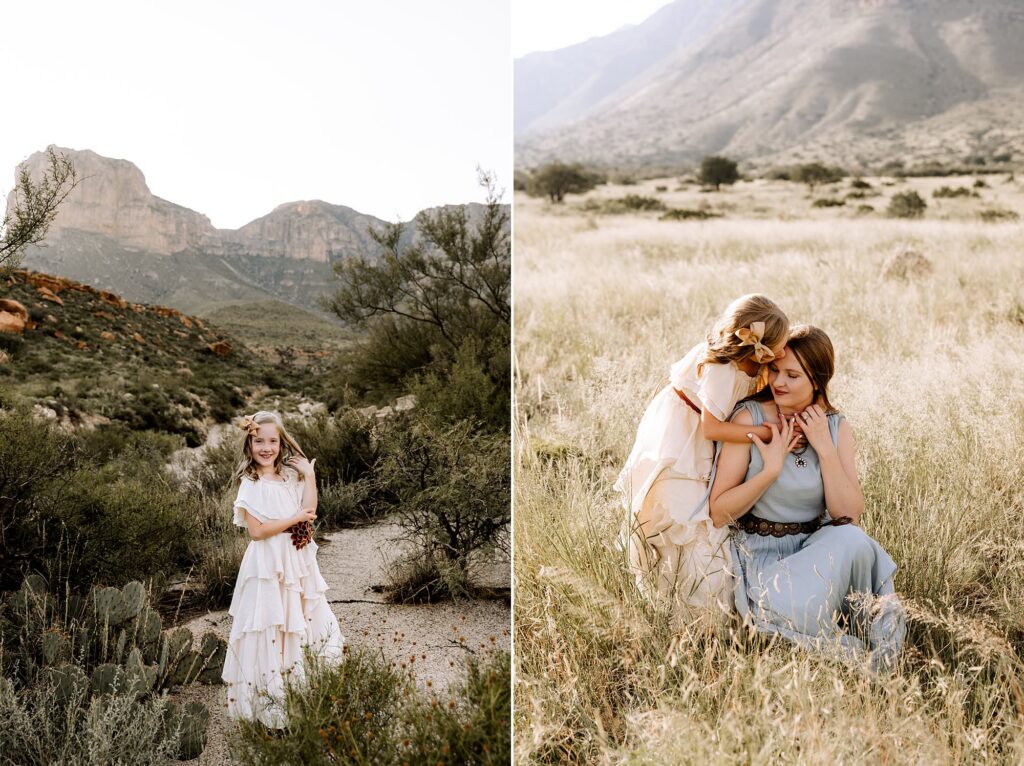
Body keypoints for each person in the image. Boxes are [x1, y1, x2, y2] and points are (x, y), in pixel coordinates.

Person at [708, 325, 905, 671]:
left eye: (792, 375)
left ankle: (876, 642)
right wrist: (770, 469)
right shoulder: (749, 417)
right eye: (775, 370)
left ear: (817, 380)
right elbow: (719, 512)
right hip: (765, 558)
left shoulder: (835, 427)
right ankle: (820, 632)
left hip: (815, 550)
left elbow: (848, 515)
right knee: (796, 608)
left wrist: (824, 447)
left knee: (856, 541)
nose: (777, 382)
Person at [615, 294, 790, 623]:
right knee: (681, 515)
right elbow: (711, 427)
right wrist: (762, 434)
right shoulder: (721, 367)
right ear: (756, 346)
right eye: (777, 347)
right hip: (681, 439)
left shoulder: (747, 365)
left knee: (693, 519)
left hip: (695, 436)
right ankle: (681, 608)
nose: (781, 353)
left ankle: (694, 607)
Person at [222, 410, 344, 727]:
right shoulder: (250, 483)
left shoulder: (290, 477)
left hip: (295, 560)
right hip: (267, 565)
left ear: (281, 442)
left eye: (272, 441)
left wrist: (310, 476)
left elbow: (311, 510)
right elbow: (257, 531)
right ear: (249, 444)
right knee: (271, 627)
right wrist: (295, 520)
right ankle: (271, 708)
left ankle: (304, 695)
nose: (266, 448)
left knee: (302, 622)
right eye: (258, 441)